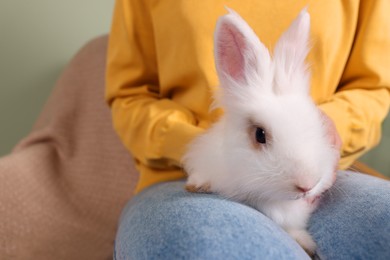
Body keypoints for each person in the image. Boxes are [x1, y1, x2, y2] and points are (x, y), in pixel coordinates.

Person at [105, 0, 390, 259]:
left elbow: (373, 87)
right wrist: (194, 148)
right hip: (184, 180)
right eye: (260, 136)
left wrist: (328, 129)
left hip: (327, 177)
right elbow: (130, 97)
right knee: (218, 249)